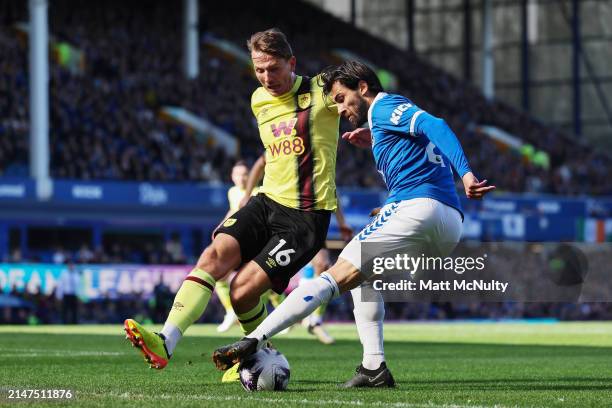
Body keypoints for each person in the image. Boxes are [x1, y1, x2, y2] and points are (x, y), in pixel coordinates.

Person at [212, 60, 496, 387]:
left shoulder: (385, 104)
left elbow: (436, 125)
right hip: (447, 222)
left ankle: (254, 339)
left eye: (341, 98)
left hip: (419, 208)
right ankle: (374, 367)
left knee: (335, 275)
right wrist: (375, 137)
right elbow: (416, 161)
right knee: (365, 278)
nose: (340, 108)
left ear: (362, 88)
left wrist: (467, 173)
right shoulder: (381, 122)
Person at [123, 29, 363, 376]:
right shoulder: (258, 100)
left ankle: (254, 351)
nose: (267, 77)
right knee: (213, 255)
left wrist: (371, 125)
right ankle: (165, 341)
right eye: (259, 69)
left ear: (291, 63)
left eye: (274, 68)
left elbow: (362, 84)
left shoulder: (320, 89)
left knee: (241, 292)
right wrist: (243, 205)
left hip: (305, 218)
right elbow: (270, 156)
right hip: (266, 201)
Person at [216, 161, 258, 333]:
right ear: (232, 177)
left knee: (263, 285)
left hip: (255, 243)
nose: (241, 178)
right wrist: (220, 228)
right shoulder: (232, 192)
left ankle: (283, 314)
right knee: (220, 277)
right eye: (237, 174)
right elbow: (233, 211)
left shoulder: (258, 192)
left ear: (251, 176)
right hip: (238, 242)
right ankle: (230, 311)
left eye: (244, 174)